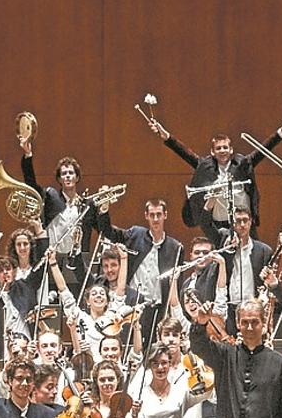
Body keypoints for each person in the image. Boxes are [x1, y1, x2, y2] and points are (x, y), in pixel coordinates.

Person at [148, 110, 282, 243]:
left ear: (231, 149)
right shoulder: (205, 166)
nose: (222, 150)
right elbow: (184, 153)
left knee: (253, 259)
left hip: (243, 222)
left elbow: (263, 150)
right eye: (218, 148)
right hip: (219, 226)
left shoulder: (242, 164)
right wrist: (166, 136)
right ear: (212, 152)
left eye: (225, 147)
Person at [96, 198, 184, 350]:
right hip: (131, 306)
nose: (155, 219)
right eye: (152, 215)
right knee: (126, 346)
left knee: (152, 350)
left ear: (165, 215)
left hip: (156, 309)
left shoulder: (175, 247)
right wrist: (104, 211)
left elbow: (177, 283)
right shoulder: (135, 234)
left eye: (158, 214)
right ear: (146, 216)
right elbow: (109, 232)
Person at [21, 142, 99, 284]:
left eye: (71, 173)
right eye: (64, 173)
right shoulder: (51, 197)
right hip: (53, 258)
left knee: (78, 300)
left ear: (77, 177)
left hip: (78, 261)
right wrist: (28, 156)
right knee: (52, 301)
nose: (67, 176)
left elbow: (102, 228)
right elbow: (31, 184)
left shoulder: (87, 204)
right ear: (59, 179)